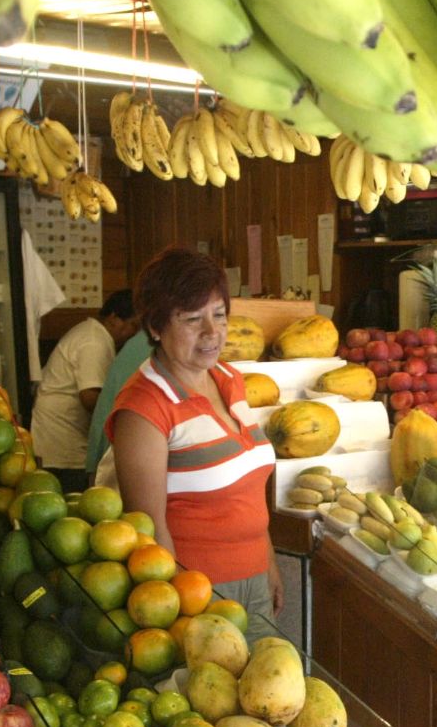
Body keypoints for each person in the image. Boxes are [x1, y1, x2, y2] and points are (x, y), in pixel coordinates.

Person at [108, 246, 283, 624]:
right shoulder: (144, 409)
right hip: (199, 593)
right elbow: (149, 530)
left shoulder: (229, 379)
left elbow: (248, 489)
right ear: (155, 327)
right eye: (191, 319)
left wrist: (266, 562)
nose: (212, 332)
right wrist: (180, 614)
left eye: (219, 315)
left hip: (254, 580)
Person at [31, 295, 140, 492]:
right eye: (133, 325)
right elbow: (90, 397)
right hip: (63, 434)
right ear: (113, 318)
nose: (134, 333)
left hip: (62, 428)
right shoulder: (94, 341)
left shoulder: (93, 334)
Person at [86, 289, 151, 474]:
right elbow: (88, 396)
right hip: (120, 452)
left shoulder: (138, 343)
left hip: (112, 449)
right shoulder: (150, 344)